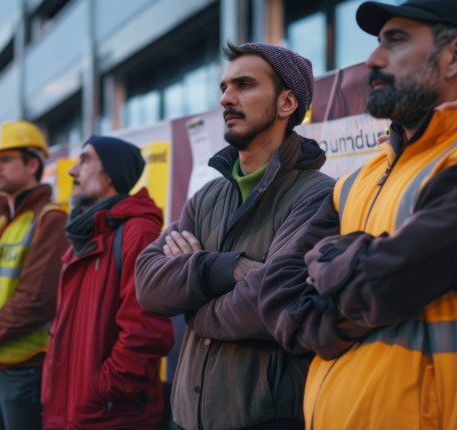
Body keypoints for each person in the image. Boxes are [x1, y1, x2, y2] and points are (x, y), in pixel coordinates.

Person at [259, 1, 457, 428]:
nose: (373, 58)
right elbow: (278, 290)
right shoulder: (358, 180)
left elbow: (385, 280)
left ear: (455, 56)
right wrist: (355, 276)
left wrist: (333, 286)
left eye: (396, 40)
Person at [135, 42, 336, 430]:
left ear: (287, 103)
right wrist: (227, 270)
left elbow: (269, 304)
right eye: (224, 88)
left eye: (244, 85)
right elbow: (147, 282)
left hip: (268, 418)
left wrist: (192, 307)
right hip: (186, 418)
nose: (226, 99)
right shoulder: (207, 196)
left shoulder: (317, 195)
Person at [41, 136, 174, 429]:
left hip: (109, 414)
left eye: (86, 160)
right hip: (71, 409)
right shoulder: (84, 234)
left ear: (111, 174)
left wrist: (104, 386)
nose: (72, 171)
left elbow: (147, 330)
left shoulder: (137, 232)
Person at [0, 121, 69, 430]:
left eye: (5, 160)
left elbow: (35, 302)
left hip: (25, 368)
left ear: (32, 164)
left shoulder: (52, 218)